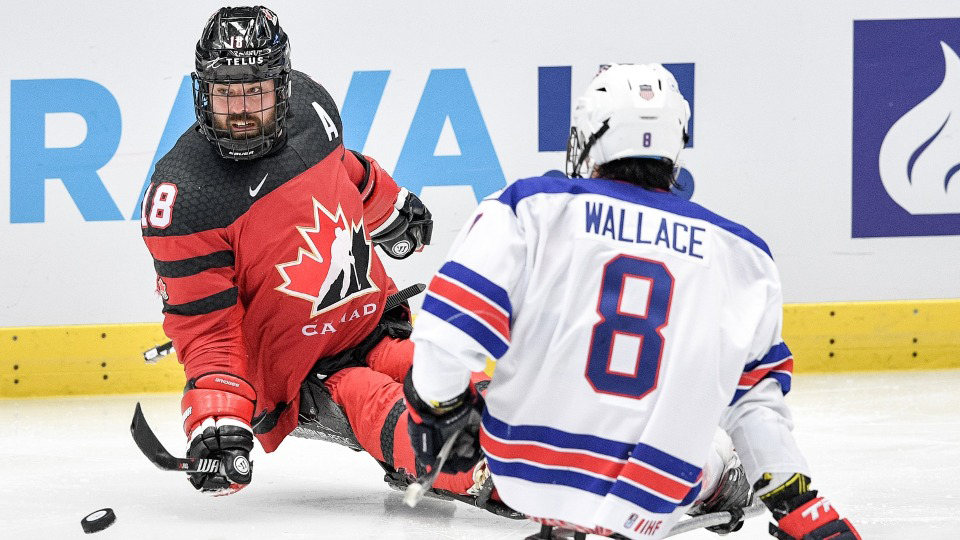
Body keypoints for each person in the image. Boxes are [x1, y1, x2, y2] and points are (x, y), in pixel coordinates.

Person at [403, 64, 861, 539]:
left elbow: (449, 329)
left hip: (521, 470)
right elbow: (755, 402)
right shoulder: (741, 256)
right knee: (712, 442)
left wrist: (440, 413)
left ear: (589, 135)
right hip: (650, 496)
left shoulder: (529, 208)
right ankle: (719, 478)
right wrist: (800, 505)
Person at [139, 6, 507, 514]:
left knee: (443, 377)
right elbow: (209, 335)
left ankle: (551, 440)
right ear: (203, 93)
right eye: (226, 94)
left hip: (372, 322)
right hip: (304, 373)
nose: (240, 110)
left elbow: (342, 171)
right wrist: (217, 421)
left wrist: (388, 208)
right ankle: (488, 474)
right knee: (375, 401)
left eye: (255, 92)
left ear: (283, 88)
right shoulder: (184, 200)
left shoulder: (312, 107)